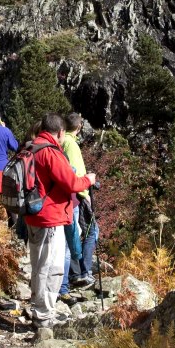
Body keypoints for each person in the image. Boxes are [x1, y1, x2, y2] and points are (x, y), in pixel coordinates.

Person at [24, 112, 95, 326]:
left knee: (38, 264)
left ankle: (38, 307)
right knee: (52, 266)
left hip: (32, 214)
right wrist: (88, 180)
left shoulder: (30, 147)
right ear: (61, 132)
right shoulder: (50, 152)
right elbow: (71, 183)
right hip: (50, 216)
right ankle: (44, 316)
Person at [60, 112, 96, 294]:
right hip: (77, 195)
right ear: (79, 127)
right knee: (90, 232)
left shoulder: (62, 141)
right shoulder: (71, 144)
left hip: (70, 195)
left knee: (73, 235)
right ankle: (82, 272)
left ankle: (74, 274)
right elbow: (74, 174)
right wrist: (85, 193)